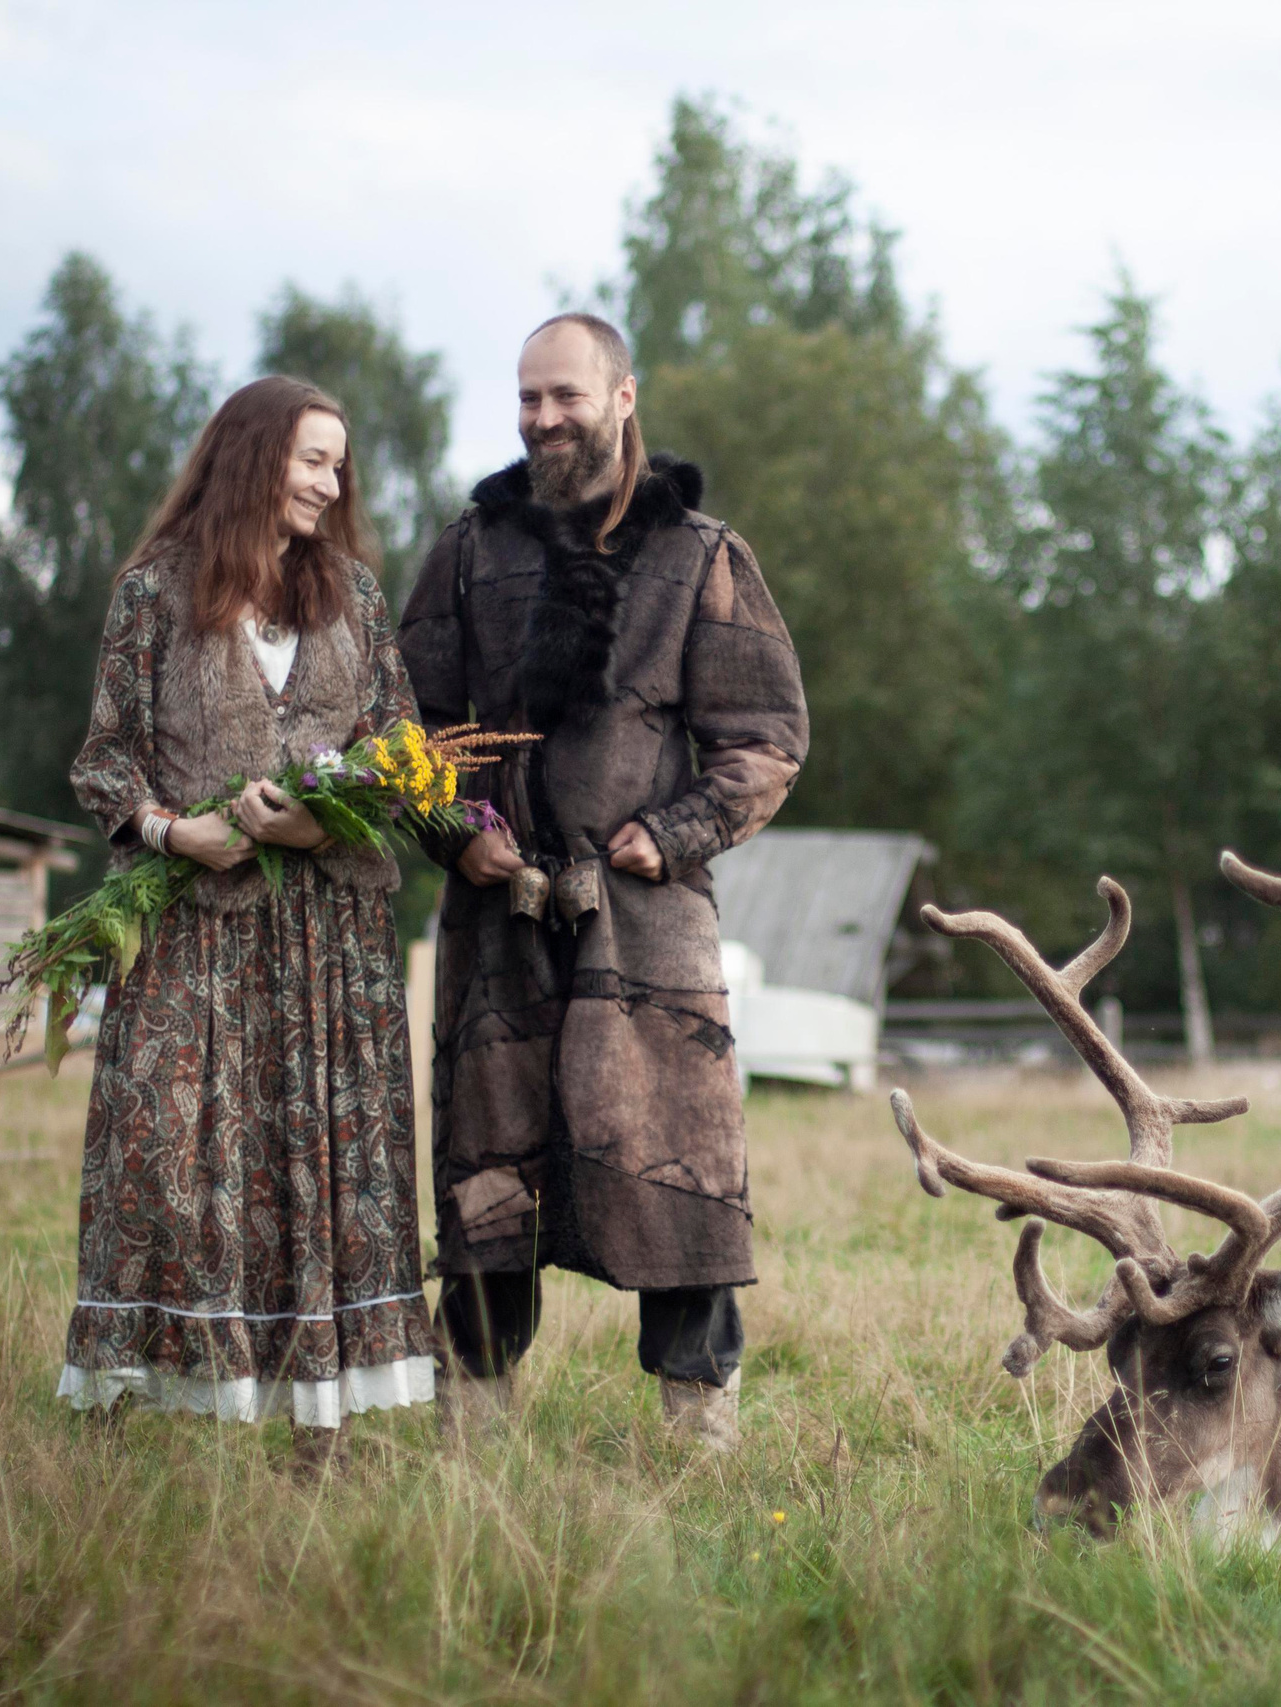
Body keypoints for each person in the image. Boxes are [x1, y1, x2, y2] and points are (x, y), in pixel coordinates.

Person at [399, 313, 807, 1450]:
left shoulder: (703, 557)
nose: (540, 419)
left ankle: (698, 1436)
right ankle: (472, 1434)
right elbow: (405, 728)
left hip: (648, 923)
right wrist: (452, 829)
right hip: (499, 918)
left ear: (623, 398)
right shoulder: (468, 552)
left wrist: (671, 834)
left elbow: (767, 740)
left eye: (564, 397)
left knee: (678, 1171)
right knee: (489, 1178)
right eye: (527, 399)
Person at [61, 376, 436, 1471]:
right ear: (250, 456)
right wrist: (177, 834)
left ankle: (317, 1417)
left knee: (319, 1162)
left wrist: (329, 824)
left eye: (340, 465)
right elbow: (104, 758)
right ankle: (172, 1411)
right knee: (175, 1161)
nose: (332, 482)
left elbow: (400, 746)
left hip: (331, 941)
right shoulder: (153, 595)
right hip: (192, 930)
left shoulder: (355, 597)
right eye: (313, 459)